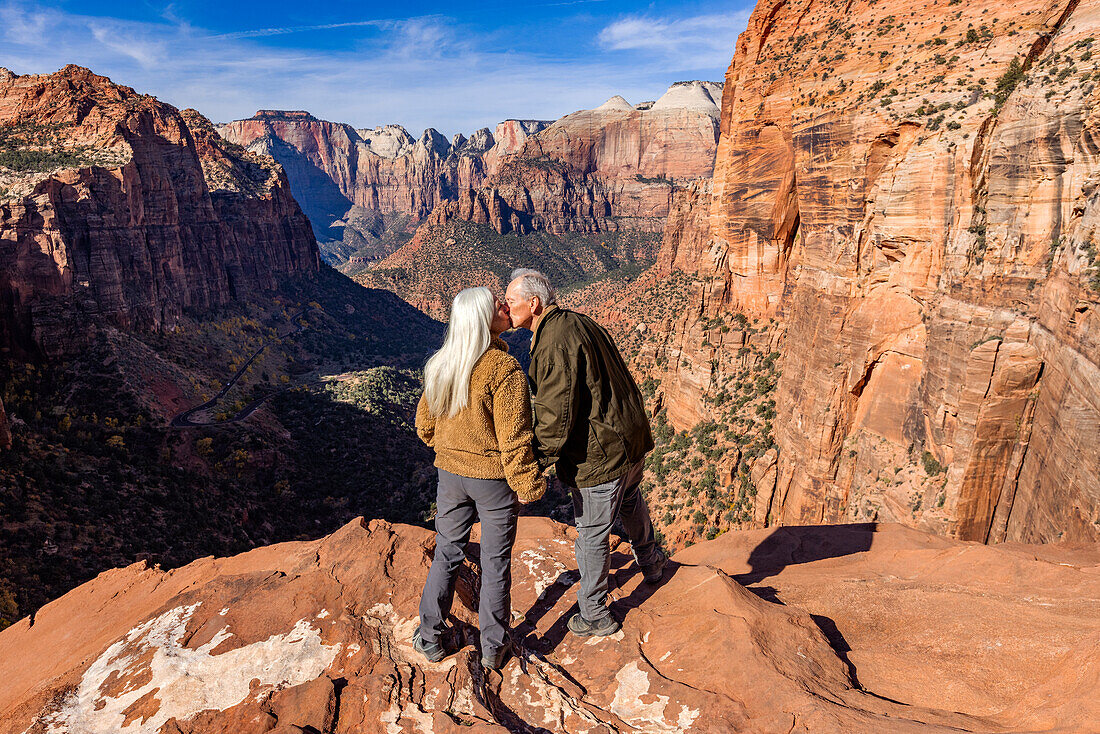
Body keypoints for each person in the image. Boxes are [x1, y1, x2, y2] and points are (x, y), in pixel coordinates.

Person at [505, 268, 666, 638]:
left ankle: (595, 612)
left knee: (592, 533)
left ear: (534, 303)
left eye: (511, 300)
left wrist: (533, 464)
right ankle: (652, 564)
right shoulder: (576, 321)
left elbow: (555, 414)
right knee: (629, 500)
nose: (506, 305)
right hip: (629, 439)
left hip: (601, 454)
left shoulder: (553, 341)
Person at [412, 287, 545, 670]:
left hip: (450, 476)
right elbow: (514, 439)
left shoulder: (442, 363)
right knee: (495, 561)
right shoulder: (504, 370)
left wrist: (451, 448)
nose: (506, 308)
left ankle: (431, 637)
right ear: (485, 320)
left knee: (447, 554)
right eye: (498, 306)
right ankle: (493, 648)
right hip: (492, 481)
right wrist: (529, 485)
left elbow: (424, 424)